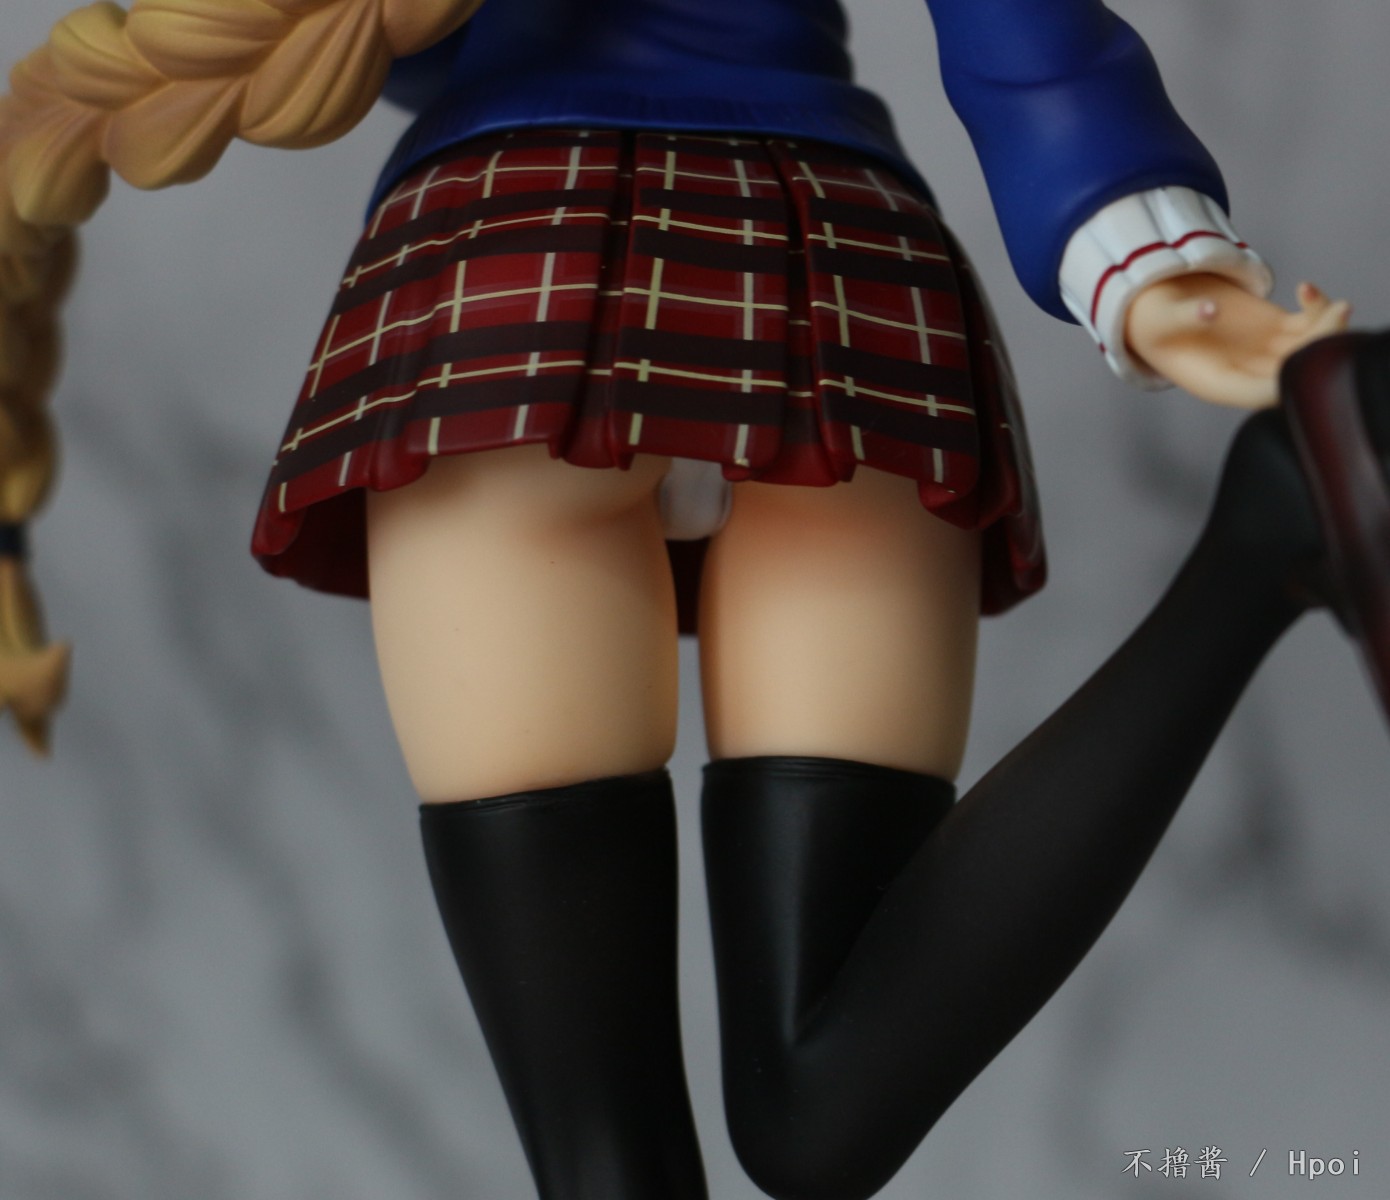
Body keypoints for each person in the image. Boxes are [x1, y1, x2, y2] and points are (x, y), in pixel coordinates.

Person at [0, 2, 1360, 1198]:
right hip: (834, 276)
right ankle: (1268, 538)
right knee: (816, 1118)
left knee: (611, 1160)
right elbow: (1021, 36)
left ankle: (1267, 541)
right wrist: (1149, 259)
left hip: (509, 281)